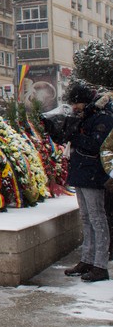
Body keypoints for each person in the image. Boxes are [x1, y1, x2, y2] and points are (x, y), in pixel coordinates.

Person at [61, 80, 113, 282]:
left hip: (93, 174)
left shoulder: (103, 117)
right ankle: (87, 260)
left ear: (84, 101)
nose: (74, 107)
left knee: (98, 219)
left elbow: (97, 144)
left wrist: (75, 135)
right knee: (86, 218)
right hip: (81, 172)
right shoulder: (85, 116)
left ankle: (100, 265)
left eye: (76, 103)